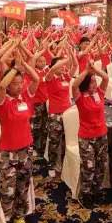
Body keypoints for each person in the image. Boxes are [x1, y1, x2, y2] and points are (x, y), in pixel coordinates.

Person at [0, 51, 39, 223]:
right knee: (7, 190)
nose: (19, 86)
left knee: (22, 187)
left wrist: (24, 66)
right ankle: (5, 219)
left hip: (25, 150)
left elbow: (36, 79)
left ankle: (19, 217)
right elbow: (2, 85)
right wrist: (14, 69)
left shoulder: (25, 98)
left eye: (21, 83)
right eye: (15, 83)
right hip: (7, 153)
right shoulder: (3, 102)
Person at [71, 63, 109, 208]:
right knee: (89, 167)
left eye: (95, 81)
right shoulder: (80, 97)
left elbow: (106, 78)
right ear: (86, 83)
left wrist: (95, 71)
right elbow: (74, 85)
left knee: (101, 165)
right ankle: (85, 193)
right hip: (86, 137)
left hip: (101, 135)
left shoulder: (99, 93)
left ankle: (96, 190)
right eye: (91, 82)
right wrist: (86, 71)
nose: (95, 84)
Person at [44, 45, 77, 178]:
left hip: (67, 112)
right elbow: (52, 69)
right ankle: (51, 165)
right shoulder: (50, 78)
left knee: (65, 139)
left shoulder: (65, 77)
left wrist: (71, 54)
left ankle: (63, 163)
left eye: (63, 66)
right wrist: (65, 60)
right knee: (54, 140)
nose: (63, 67)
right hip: (55, 114)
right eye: (61, 66)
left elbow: (75, 65)